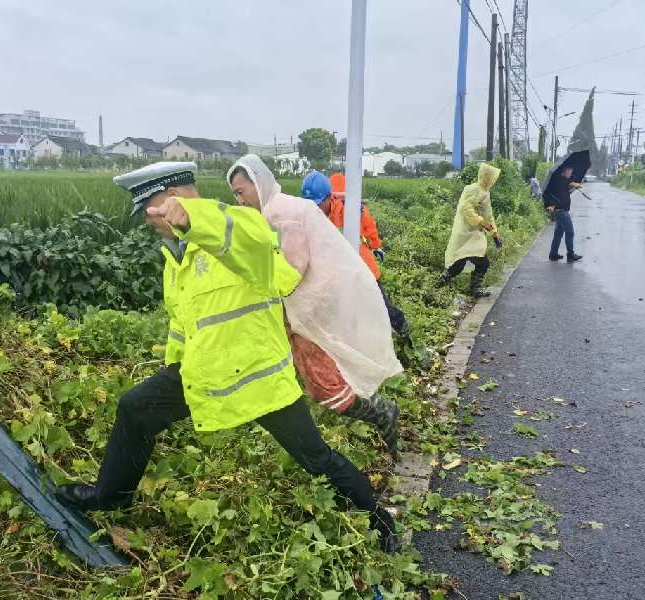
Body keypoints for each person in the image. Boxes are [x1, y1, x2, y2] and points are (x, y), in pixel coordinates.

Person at [55, 162, 399, 553]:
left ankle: (377, 517)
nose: (149, 223)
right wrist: (175, 368)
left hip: (258, 380)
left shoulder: (243, 228)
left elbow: (234, 235)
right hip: (206, 371)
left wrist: (195, 217)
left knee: (315, 457)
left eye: (151, 209)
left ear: (176, 198)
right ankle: (110, 497)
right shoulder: (176, 256)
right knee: (135, 408)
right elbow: (182, 323)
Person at [226, 155, 402, 455]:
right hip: (311, 304)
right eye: (234, 195)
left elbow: (291, 272)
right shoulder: (279, 208)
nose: (239, 200)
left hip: (312, 307)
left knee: (324, 384)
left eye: (241, 192)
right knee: (315, 371)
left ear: (259, 184)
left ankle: (382, 413)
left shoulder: (280, 215)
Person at [300, 171, 409, 338]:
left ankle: (405, 333)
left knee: (381, 307)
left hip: (363, 269)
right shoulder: (311, 216)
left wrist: (376, 246)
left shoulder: (350, 210)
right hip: (338, 275)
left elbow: (369, 227)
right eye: (310, 204)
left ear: (329, 198)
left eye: (317, 203)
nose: (315, 208)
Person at [438, 163, 503, 297]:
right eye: (491, 177)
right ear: (485, 176)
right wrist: (481, 221)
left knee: (478, 262)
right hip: (465, 232)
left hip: (475, 234)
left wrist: (495, 234)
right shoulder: (472, 189)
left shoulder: (485, 192)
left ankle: (472, 289)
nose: (493, 179)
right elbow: (466, 209)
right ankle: (439, 285)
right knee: (460, 263)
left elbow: (488, 215)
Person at [544, 165, 583, 262]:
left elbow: (566, 191)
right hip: (561, 211)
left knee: (558, 233)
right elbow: (571, 183)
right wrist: (576, 184)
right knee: (570, 232)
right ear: (566, 171)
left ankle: (553, 254)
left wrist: (573, 187)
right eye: (570, 172)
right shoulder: (561, 179)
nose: (570, 175)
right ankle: (570, 254)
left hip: (559, 210)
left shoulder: (561, 181)